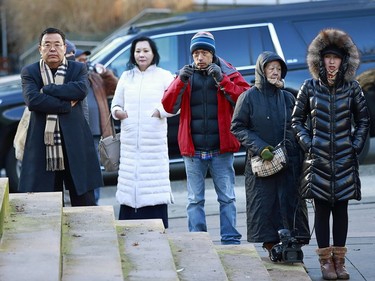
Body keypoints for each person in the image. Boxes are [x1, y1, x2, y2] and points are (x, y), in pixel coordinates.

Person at [291, 28, 370, 280]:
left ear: (343, 60)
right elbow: (296, 121)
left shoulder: (352, 88)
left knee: (342, 210)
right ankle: (325, 262)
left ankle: (340, 261)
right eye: (328, 57)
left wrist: (355, 145)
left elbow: (364, 121)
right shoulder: (309, 87)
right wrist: (309, 143)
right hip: (319, 160)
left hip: (345, 159)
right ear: (320, 60)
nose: (332, 62)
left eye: (336, 58)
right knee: (323, 210)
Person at [162, 31, 250, 244]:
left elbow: (246, 100)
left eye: (204, 53)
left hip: (222, 149)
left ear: (212, 54)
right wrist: (180, 82)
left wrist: (222, 80)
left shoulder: (228, 71)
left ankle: (230, 240)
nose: (199, 58)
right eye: (196, 54)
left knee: (227, 198)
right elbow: (167, 105)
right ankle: (198, 241)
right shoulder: (184, 74)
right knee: (194, 200)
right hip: (193, 150)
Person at [230, 51, 310, 258]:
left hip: (289, 162)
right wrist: (260, 147)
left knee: (290, 203)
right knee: (265, 204)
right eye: (270, 68)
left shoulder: (288, 97)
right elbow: (238, 127)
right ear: (261, 71)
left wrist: (304, 154)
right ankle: (271, 245)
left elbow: (298, 126)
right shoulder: (248, 97)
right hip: (262, 164)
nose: (275, 72)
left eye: (278, 69)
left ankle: (293, 245)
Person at [19, 27, 103, 206]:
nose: (52, 49)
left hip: (76, 144)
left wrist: (48, 89)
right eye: (47, 45)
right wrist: (65, 105)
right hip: (44, 146)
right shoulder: (30, 72)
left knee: (85, 204)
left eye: (57, 44)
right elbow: (33, 100)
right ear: (39, 49)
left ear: (64, 48)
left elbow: (80, 90)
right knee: (46, 204)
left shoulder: (78, 68)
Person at [110, 36, 175, 228]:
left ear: (153, 53)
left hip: (153, 142)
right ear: (133, 54)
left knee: (153, 185)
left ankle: (157, 227)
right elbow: (115, 104)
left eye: (146, 51)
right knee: (130, 185)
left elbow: (176, 104)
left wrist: (159, 112)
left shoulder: (164, 76)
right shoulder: (126, 77)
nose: (141, 55)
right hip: (130, 142)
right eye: (138, 51)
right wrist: (118, 113)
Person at [74, 48, 119, 204]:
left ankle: (95, 202)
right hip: (80, 134)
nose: (84, 63)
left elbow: (115, 87)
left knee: (95, 171)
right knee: (83, 170)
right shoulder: (73, 79)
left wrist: (105, 72)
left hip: (97, 134)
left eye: (85, 60)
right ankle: (86, 201)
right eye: (80, 60)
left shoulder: (95, 78)